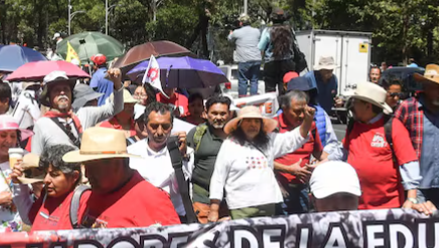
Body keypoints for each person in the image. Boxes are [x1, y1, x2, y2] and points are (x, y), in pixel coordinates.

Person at [208, 105, 314, 221]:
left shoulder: (268, 141)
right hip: (241, 206)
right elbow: (218, 177)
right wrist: (214, 209)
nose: (253, 125)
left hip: (268, 204)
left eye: (256, 121)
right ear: (240, 124)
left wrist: (307, 120)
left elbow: (294, 138)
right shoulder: (229, 145)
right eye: (248, 121)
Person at [61, 127, 180, 227]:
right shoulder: (89, 196)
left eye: (93, 167)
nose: (87, 175)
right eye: (85, 167)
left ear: (118, 162)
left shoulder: (153, 201)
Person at [342, 82, 430, 212]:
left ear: (368, 106)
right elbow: (343, 153)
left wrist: (411, 199)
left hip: (387, 208)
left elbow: (409, 163)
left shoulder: (393, 127)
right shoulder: (353, 126)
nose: (352, 105)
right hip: (355, 205)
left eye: (355, 101)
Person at [395, 65, 439, 206]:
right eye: (436, 87)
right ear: (425, 87)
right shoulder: (409, 107)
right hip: (416, 185)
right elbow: (395, 143)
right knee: (418, 224)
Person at [28, 70, 124, 155]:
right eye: (57, 90)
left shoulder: (84, 114)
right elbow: (36, 159)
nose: (62, 93)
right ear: (49, 97)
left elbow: (115, 108)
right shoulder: (42, 125)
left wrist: (117, 84)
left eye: (66, 89)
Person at [127, 103, 189, 220]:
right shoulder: (131, 152)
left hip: (174, 217)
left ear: (172, 126)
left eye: (165, 126)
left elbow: (180, 188)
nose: (160, 132)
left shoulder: (185, 153)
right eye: (154, 126)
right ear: (145, 126)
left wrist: (180, 158)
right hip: (141, 217)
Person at [272, 91, 328, 214]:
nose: (302, 116)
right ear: (284, 109)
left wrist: (325, 162)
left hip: (302, 190)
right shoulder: (273, 126)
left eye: (304, 111)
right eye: (297, 111)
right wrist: (288, 169)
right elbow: (263, 159)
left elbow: (320, 154)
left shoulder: (310, 126)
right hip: (278, 189)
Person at [188, 95, 232, 223]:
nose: (218, 117)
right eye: (214, 113)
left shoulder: (236, 136)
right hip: (202, 199)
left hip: (230, 200)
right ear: (206, 113)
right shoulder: (197, 134)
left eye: (223, 113)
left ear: (229, 114)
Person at [26, 145, 81, 230]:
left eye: (54, 174)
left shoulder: (82, 201)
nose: (46, 180)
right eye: (45, 173)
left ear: (74, 176)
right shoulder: (46, 195)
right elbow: (28, 220)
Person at [259, 9, 300, 92]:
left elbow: (261, 47)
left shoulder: (268, 31)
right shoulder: (290, 30)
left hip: (271, 63)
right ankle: (283, 104)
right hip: (287, 63)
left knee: (270, 90)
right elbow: (294, 44)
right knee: (285, 89)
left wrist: (262, 61)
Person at [229, 14, 263, 97]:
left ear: (241, 23)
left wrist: (231, 33)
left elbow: (229, 39)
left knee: (243, 80)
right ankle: (254, 99)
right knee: (254, 80)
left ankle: (243, 99)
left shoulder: (237, 32)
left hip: (244, 60)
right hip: (256, 59)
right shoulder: (257, 31)